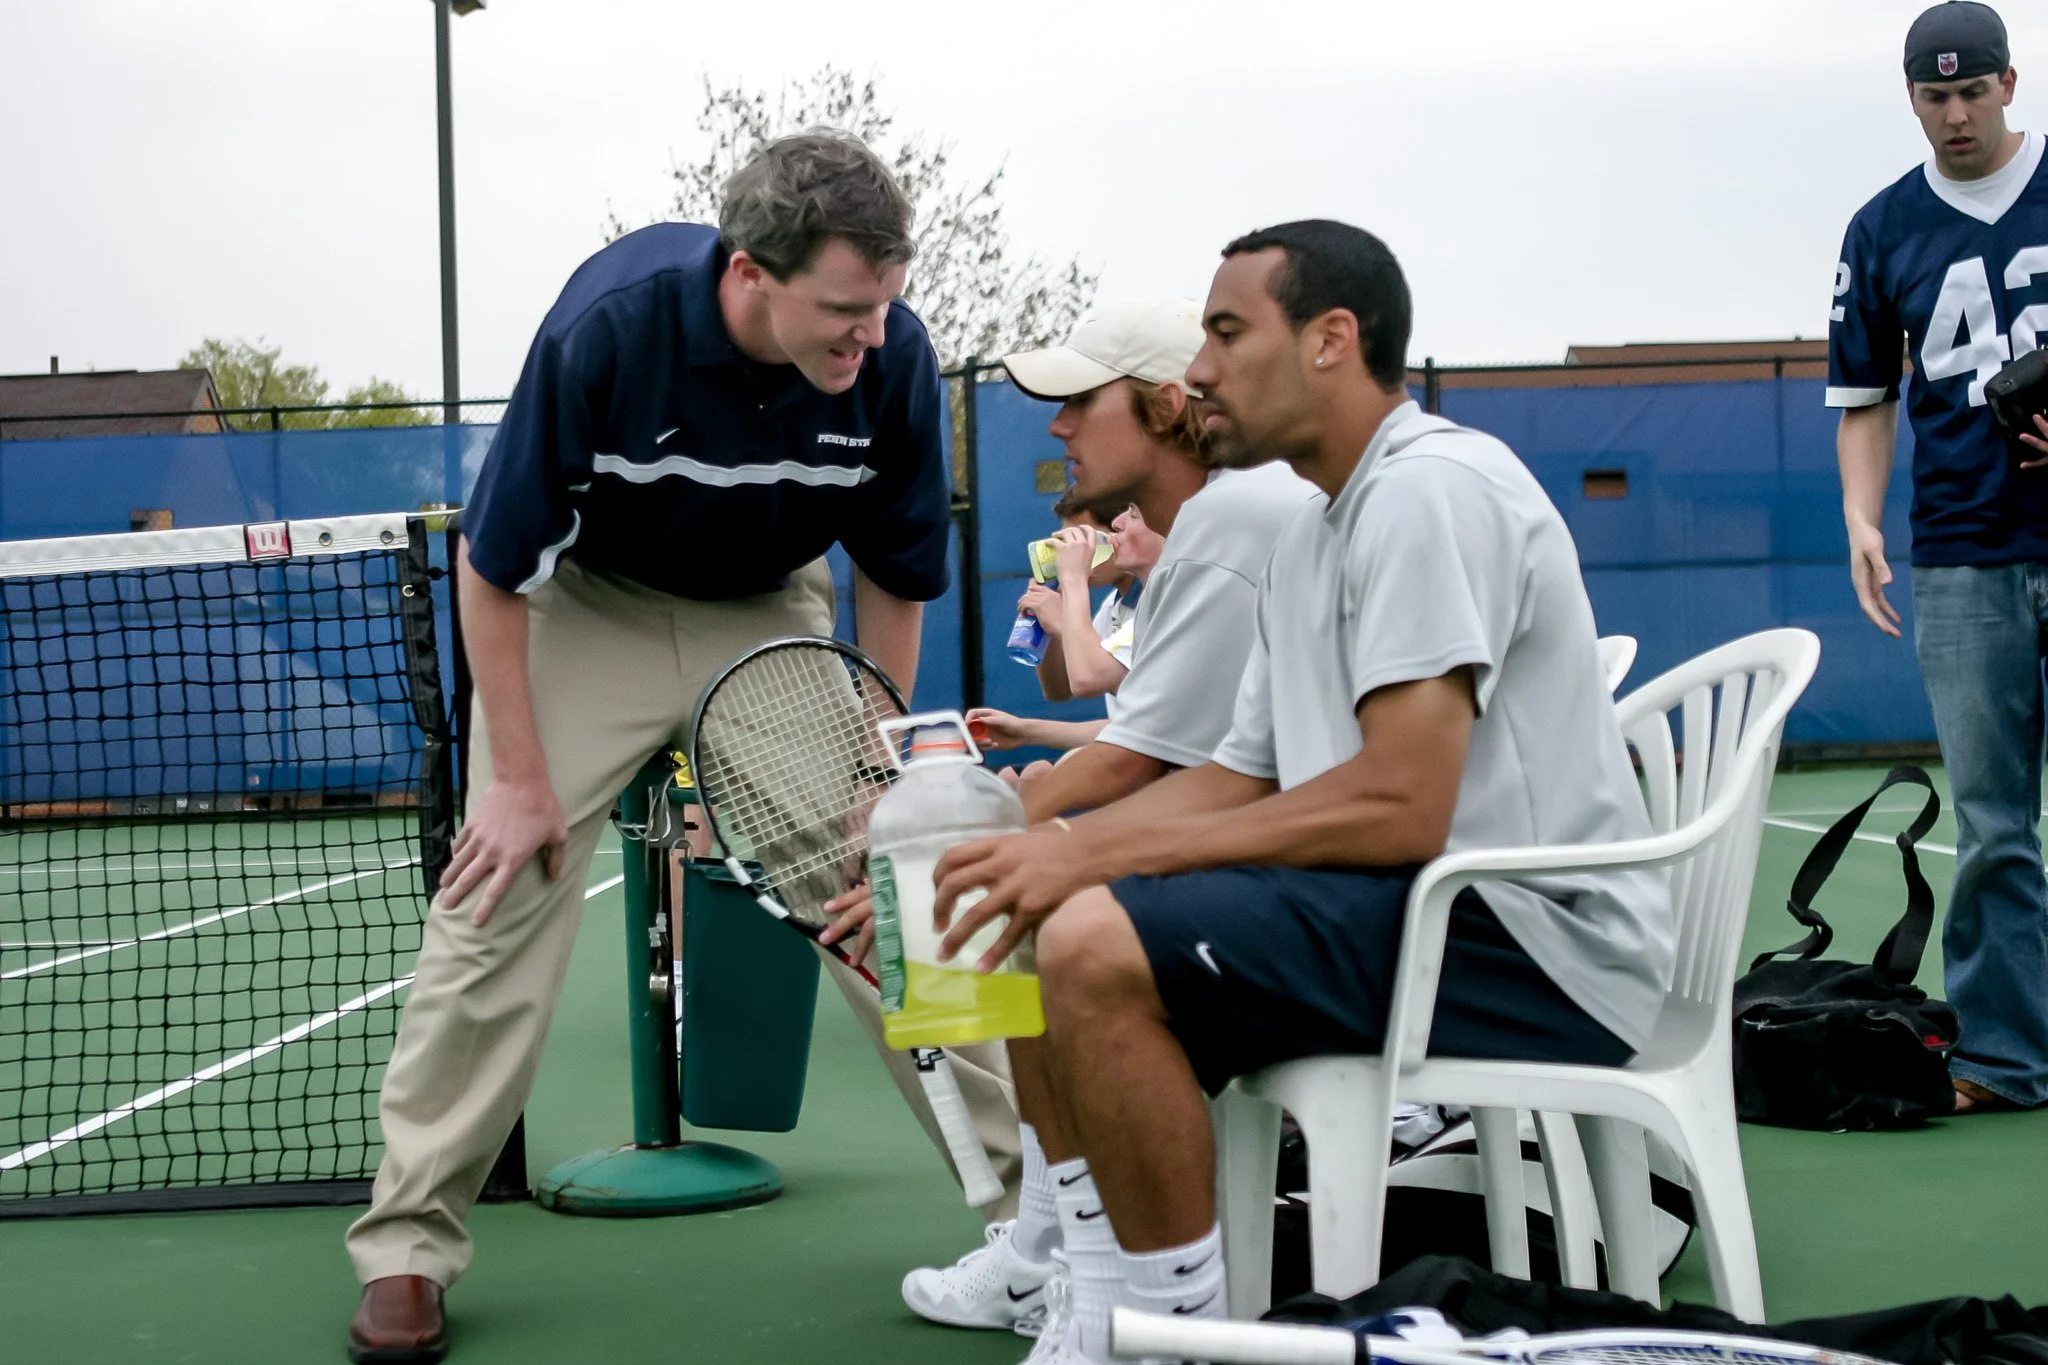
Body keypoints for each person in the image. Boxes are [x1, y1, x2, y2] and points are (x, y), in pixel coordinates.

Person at [924, 221, 1673, 1364]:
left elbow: (1399, 807)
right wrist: (1012, 852)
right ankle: (1089, 1298)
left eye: (1227, 333)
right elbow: (1234, 778)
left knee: (1087, 940)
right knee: (1049, 917)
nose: (1204, 369)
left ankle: (1168, 1336)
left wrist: (1085, 854)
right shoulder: (1320, 523)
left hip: (1529, 943)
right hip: (1421, 908)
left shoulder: (1427, 491)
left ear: (1330, 340)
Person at [342, 131, 1021, 1364]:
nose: (868, 339)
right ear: (749, 272)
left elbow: (897, 575)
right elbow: (492, 569)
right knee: (492, 902)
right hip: (581, 611)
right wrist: (517, 784)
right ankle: (404, 1248)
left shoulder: (893, 353)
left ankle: (1045, 1219)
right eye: (842, 311)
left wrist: (881, 772)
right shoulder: (608, 326)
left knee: (905, 884)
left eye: (882, 307)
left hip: (768, 614)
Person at [826, 295, 1317, 1352]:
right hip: (1291, 847)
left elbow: (1140, 758)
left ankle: (1122, 1302)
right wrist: (977, 835)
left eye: (1077, 403)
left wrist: (946, 845)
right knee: (1029, 890)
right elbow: (1154, 749)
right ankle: (1049, 1255)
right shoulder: (1220, 521)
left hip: (1339, 879)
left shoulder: (1234, 522)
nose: (1055, 427)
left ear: (1165, 406)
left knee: (1053, 918)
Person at [1830, 0, 2048, 1114]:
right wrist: (1862, 518)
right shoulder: (1881, 229)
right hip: (1962, 549)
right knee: (1992, 822)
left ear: (2010, 84)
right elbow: (1863, 397)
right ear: (1909, 98)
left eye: (1972, 90)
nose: (1955, 112)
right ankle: (2009, 1061)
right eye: (1934, 94)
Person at [972, 496, 1160, 756]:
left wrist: (1065, 613)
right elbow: (1059, 689)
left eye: (1082, 541)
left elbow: (1088, 679)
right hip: (1142, 749)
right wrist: (1050, 622)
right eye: (1065, 542)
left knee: (1046, 773)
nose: (1070, 553)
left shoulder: (1155, 602)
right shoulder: (1114, 605)